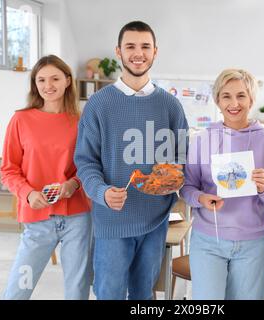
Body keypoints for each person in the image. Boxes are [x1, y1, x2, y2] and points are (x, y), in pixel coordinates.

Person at [74, 21, 188, 300]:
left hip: (156, 220)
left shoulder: (171, 105)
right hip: (112, 219)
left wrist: (170, 180)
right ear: (119, 51)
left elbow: (181, 158)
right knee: (109, 293)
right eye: (131, 46)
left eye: (145, 46)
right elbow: (85, 161)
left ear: (155, 52)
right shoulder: (99, 105)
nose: (138, 53)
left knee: (144, 296)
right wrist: (101, 192)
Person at [180, 69, 264, 300]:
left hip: (253, 243)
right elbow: (186, 188)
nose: (234, 103)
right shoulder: (202, 140)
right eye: (226, 96)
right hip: (208, 240)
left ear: (252, 99)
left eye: (241, 95)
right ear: (217, 100)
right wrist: (201, 199)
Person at [0, 55, 92, 300]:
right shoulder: (21, 120)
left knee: (77, 287)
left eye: (54, 78)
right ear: (34, 83)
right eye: (41, 79)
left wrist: (74, 184)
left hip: (76, 217)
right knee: (20, 285)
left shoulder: (81, 120)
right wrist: (28, 193)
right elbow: (8, 169)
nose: (47, 85)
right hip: (37, 218)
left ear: (67, 81)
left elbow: (91, 164)